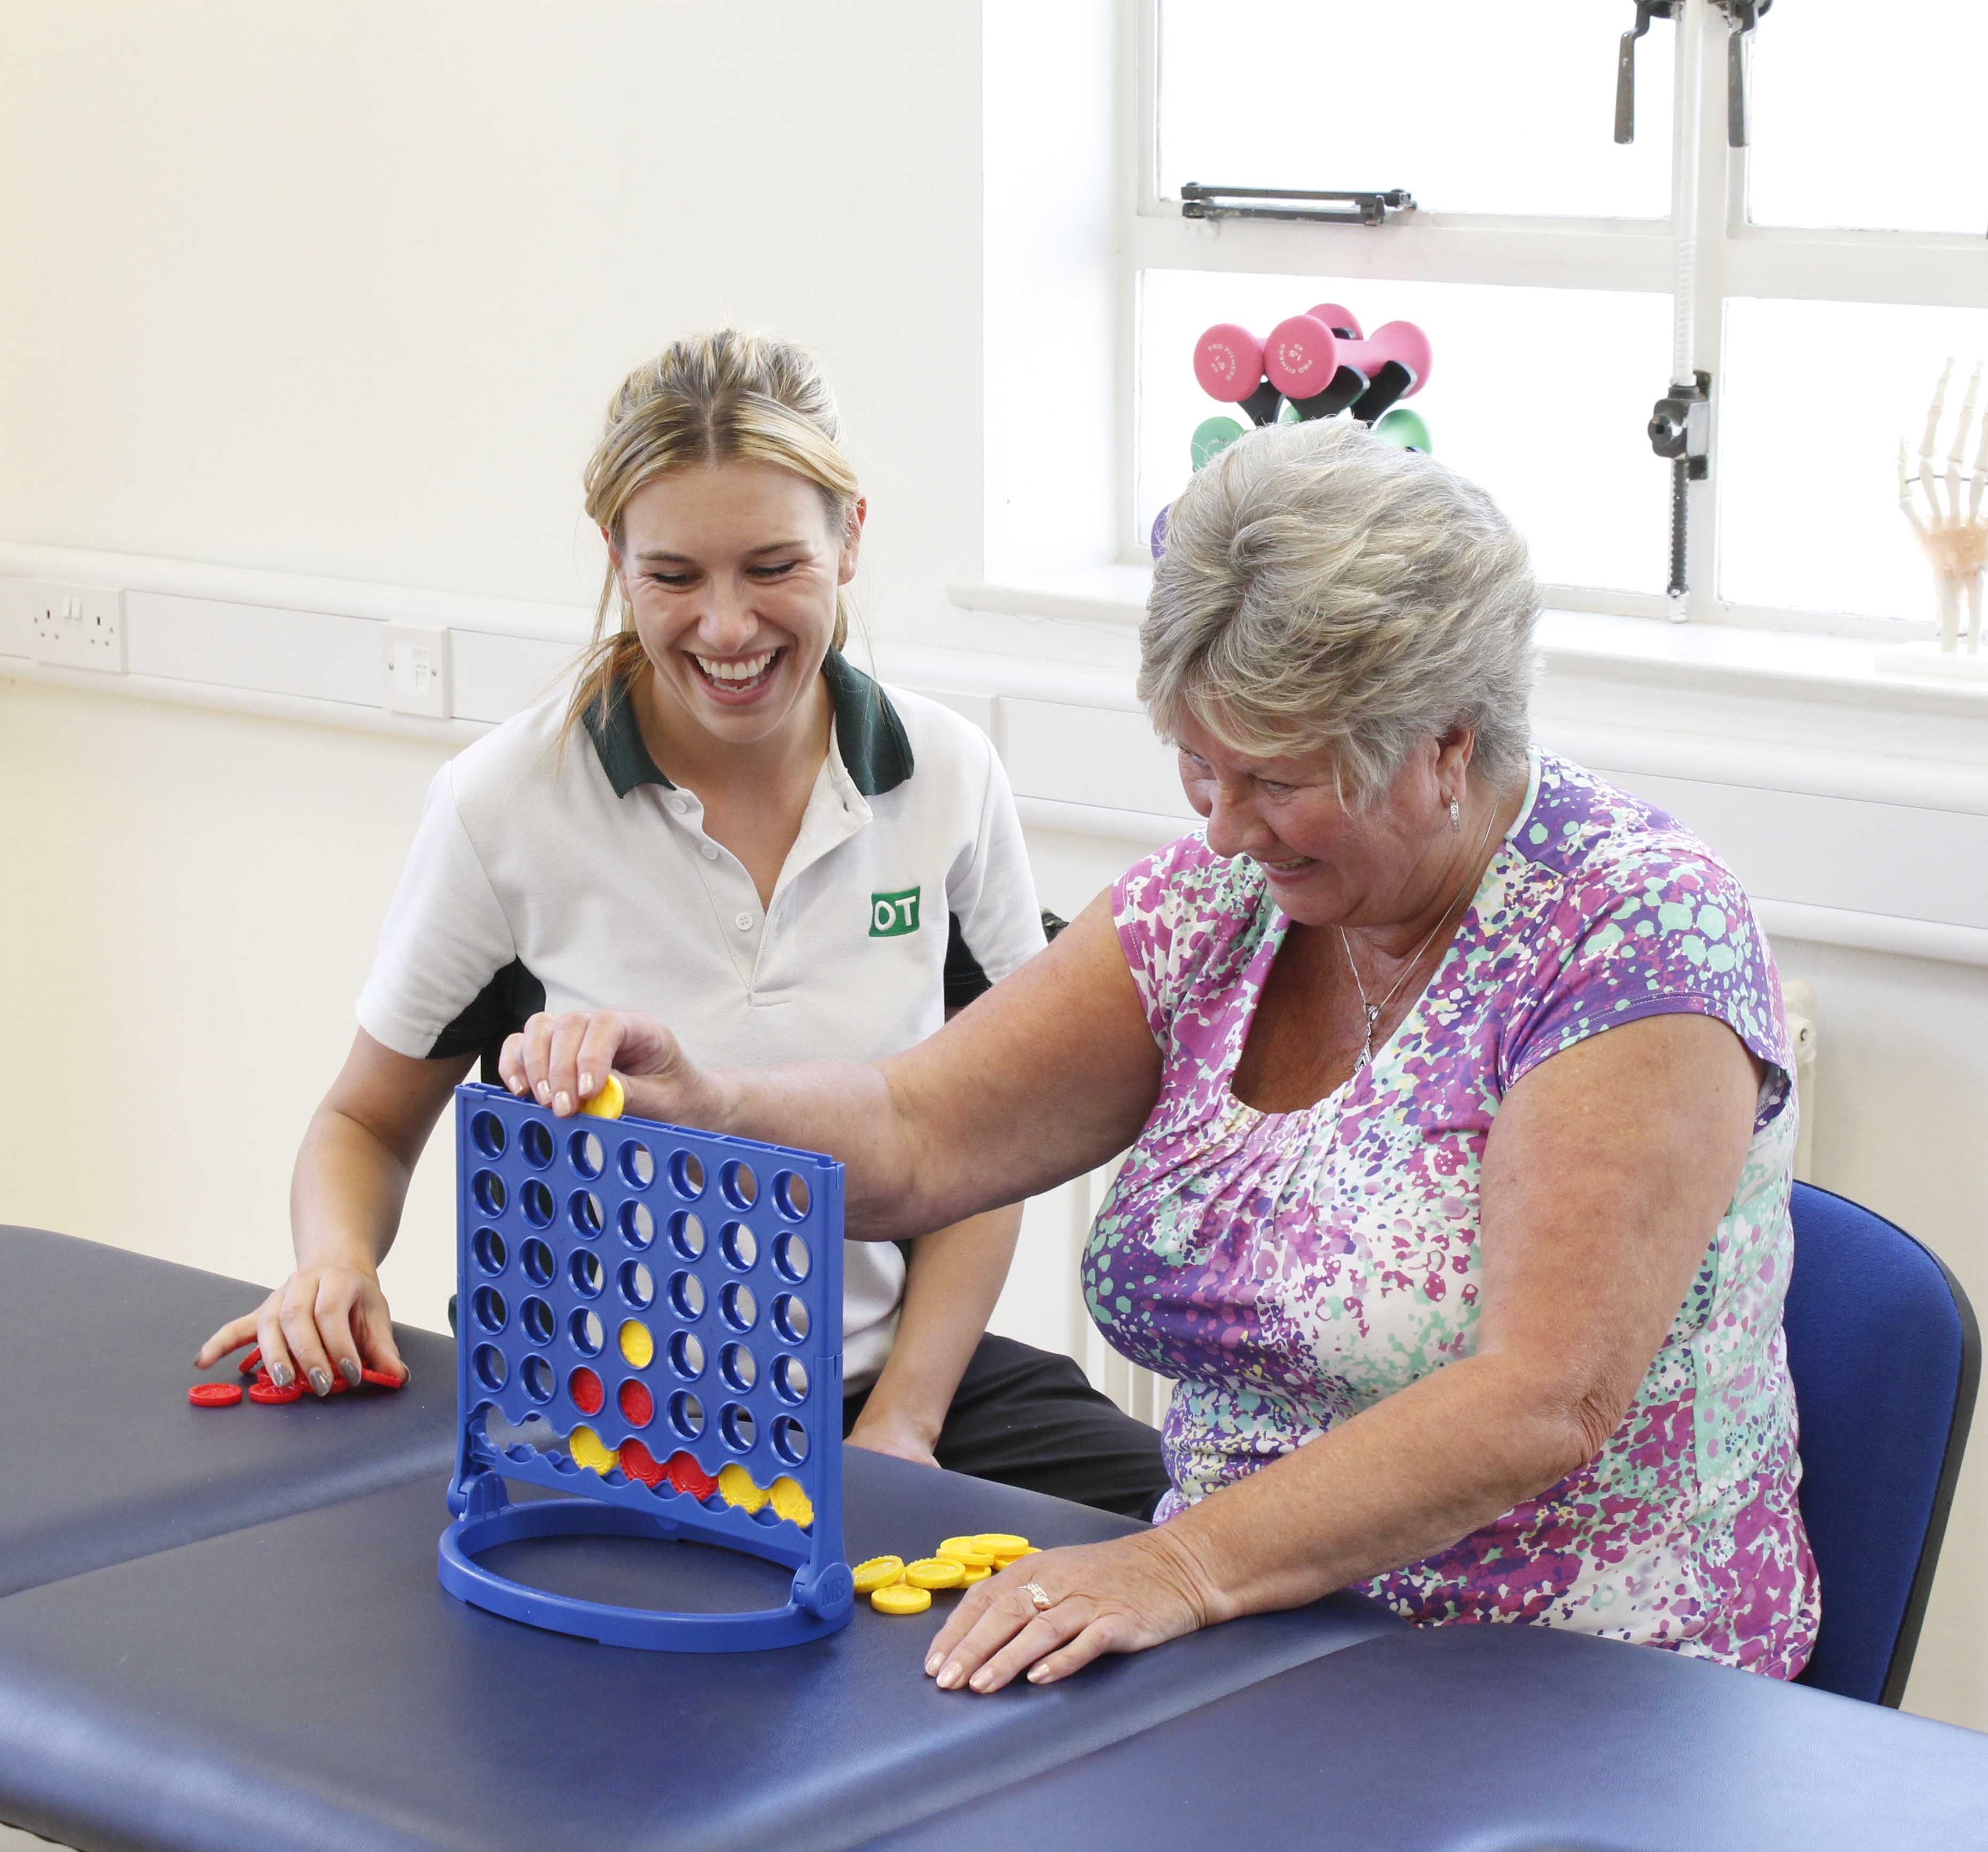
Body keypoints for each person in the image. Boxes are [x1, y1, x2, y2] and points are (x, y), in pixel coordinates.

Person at [502, 416, 1821, 1693]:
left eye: (1281, 781)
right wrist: (710, 1101)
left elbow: (1545, 1398)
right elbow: (920, 1133)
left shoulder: (1635, 937)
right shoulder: (1225, 904)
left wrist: (1176, 1566)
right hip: (1263, 1635)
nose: (1231, 828)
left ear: (1447, 748)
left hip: (1581, 1675)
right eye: (1201, 768)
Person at [196, 330, 1168, 1520]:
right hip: (601, 1411)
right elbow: (363, 1121)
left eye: (772, 567)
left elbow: (988, 1142)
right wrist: (334, 1261)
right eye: (672, 577)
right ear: (614, 556)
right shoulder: (506, 803)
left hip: (888, 1385)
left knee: (1186, 1537)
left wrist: (905, 1421)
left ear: (850, 538)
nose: (725, 627)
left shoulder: (947, 780)